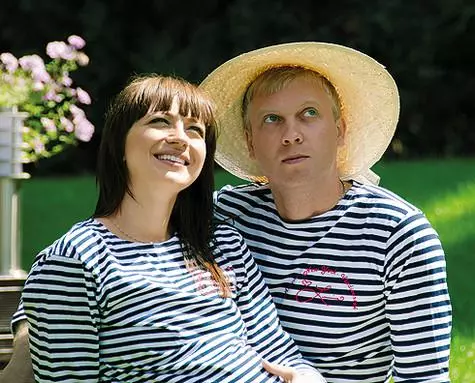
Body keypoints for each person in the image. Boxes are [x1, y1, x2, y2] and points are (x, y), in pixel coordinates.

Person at [3, 74, 325, 383]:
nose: (180, 138)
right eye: (160, 121)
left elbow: (277, 350)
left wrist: (308, 376)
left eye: (195, 130)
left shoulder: (222, 243)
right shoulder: (76, 260)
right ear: (119, 145)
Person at [199, 42, 452, 382]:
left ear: (340, 130)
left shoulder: (398, 235)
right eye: (272, 119)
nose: (291, 135)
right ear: (250, 142)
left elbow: (424, 378)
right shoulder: (225, 215)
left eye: (309, 114)